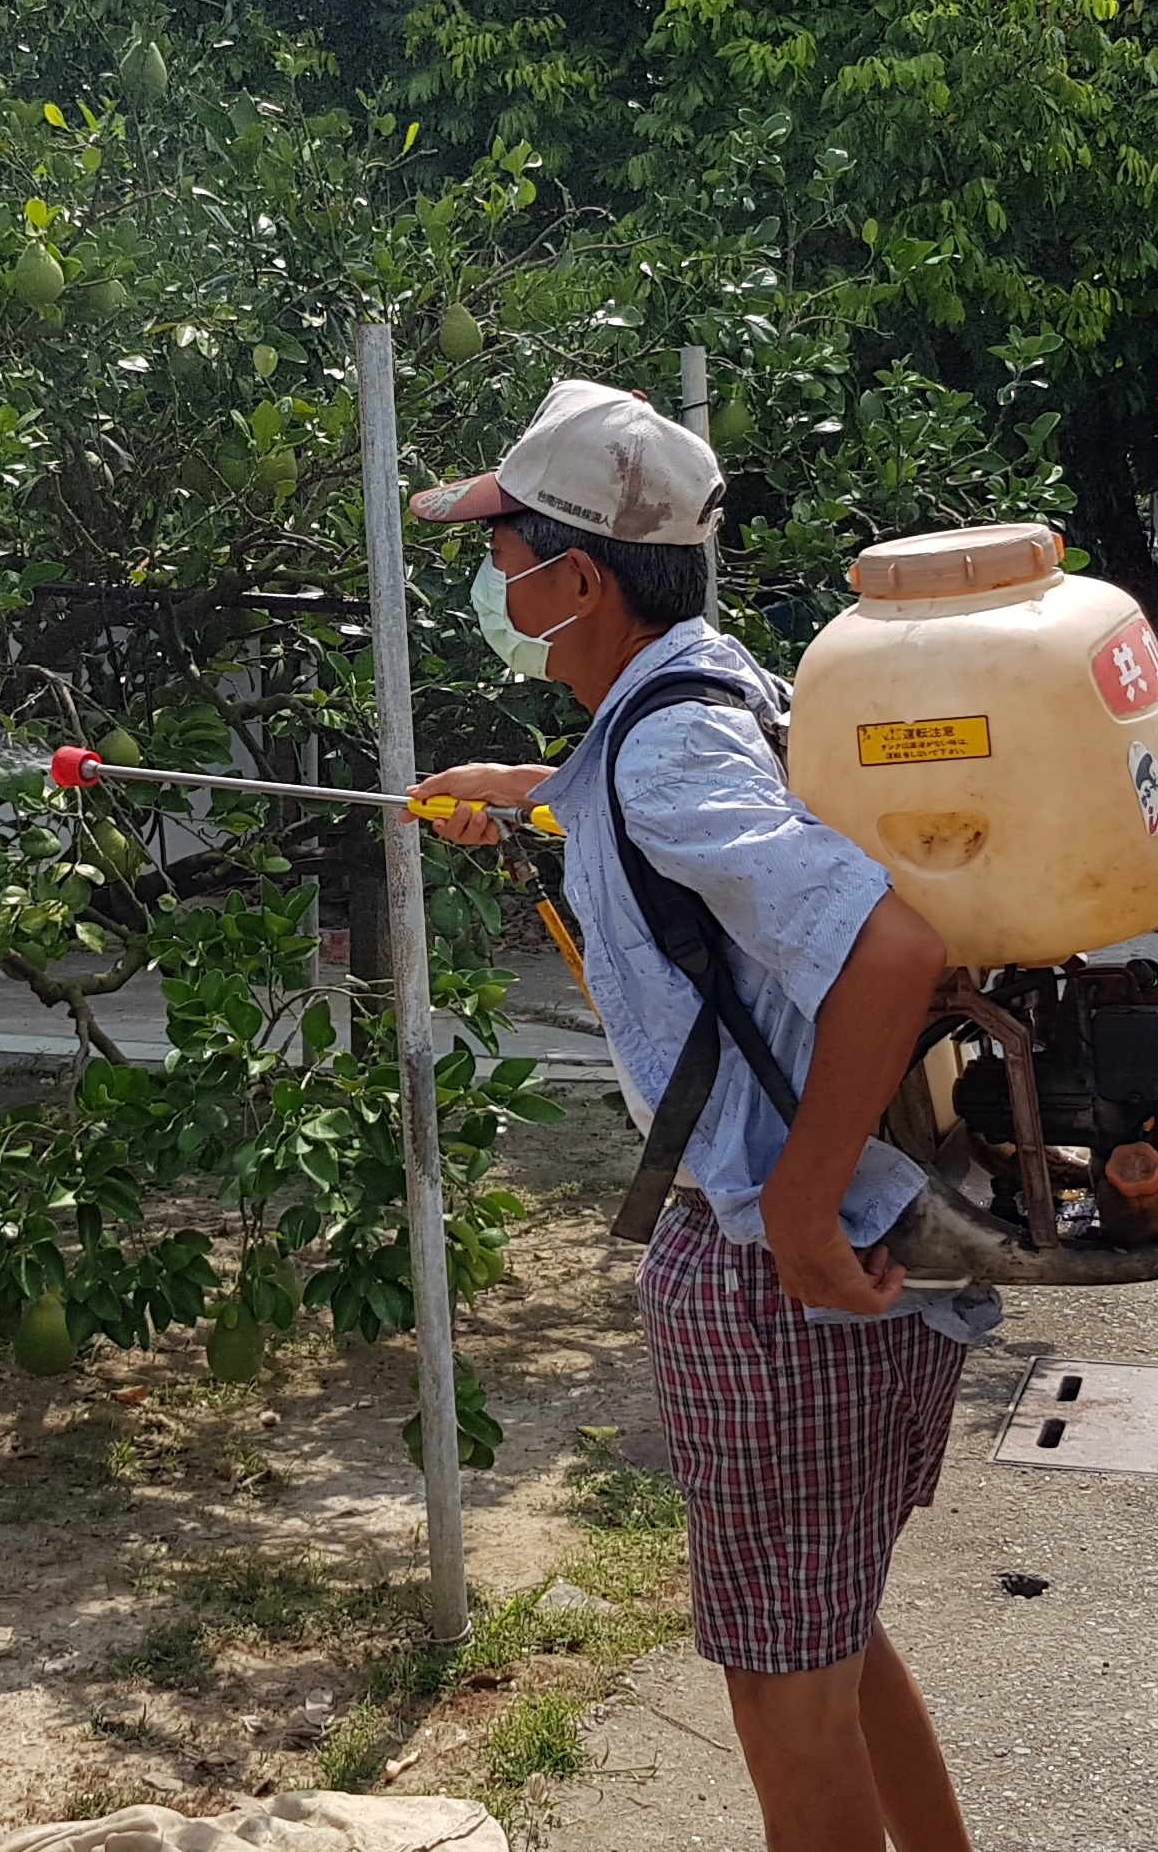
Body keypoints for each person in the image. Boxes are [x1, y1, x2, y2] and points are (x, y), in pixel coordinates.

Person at [406, 378, 986, 1852]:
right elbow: (698, 836)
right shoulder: (708, 688)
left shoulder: (664, 749)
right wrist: (541, 796)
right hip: (870, 1257)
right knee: (834, 1637)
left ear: (577, 578)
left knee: (786, 1698)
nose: (489, 580)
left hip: (781, 1278)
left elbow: (888, 949)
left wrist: (794, 1206)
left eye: (501, 551)